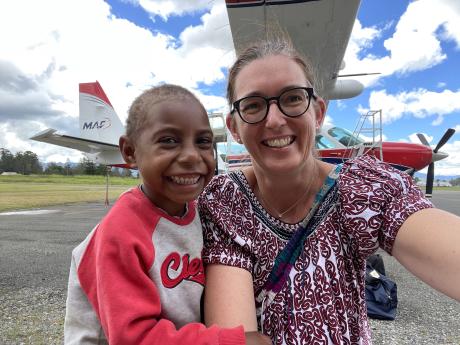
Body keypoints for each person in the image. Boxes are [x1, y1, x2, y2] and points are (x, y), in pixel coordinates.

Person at [198, 37, 460, 345]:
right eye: (253, 105)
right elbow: (237, 336)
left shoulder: (365, 188)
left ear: (318, 112)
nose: (274, 119)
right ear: (234, 127)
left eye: (293, 98)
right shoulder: (225, 203)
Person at [63, 84, 271, 345]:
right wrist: (228, 341)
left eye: (203, 141)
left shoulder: (197, 211)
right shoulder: (120, 234)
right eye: (169, 141)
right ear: (130, 152)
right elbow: (134, 338)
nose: (191, 156)